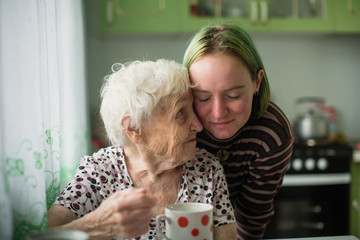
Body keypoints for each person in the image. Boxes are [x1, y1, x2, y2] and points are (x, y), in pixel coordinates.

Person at [47, 59, 237, 240]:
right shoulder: (98, 171)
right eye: (180, 113)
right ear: (134, 128)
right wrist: (99, 225)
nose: (198, 125)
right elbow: (46, 235)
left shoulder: (207, 169)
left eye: (192, 110)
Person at [183, 24, 294, 240]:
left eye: (233, 95)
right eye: (203, 97)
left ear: (257, 82)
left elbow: (252, 216)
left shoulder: (272, 134)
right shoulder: (179, 127)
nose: (218, 113)